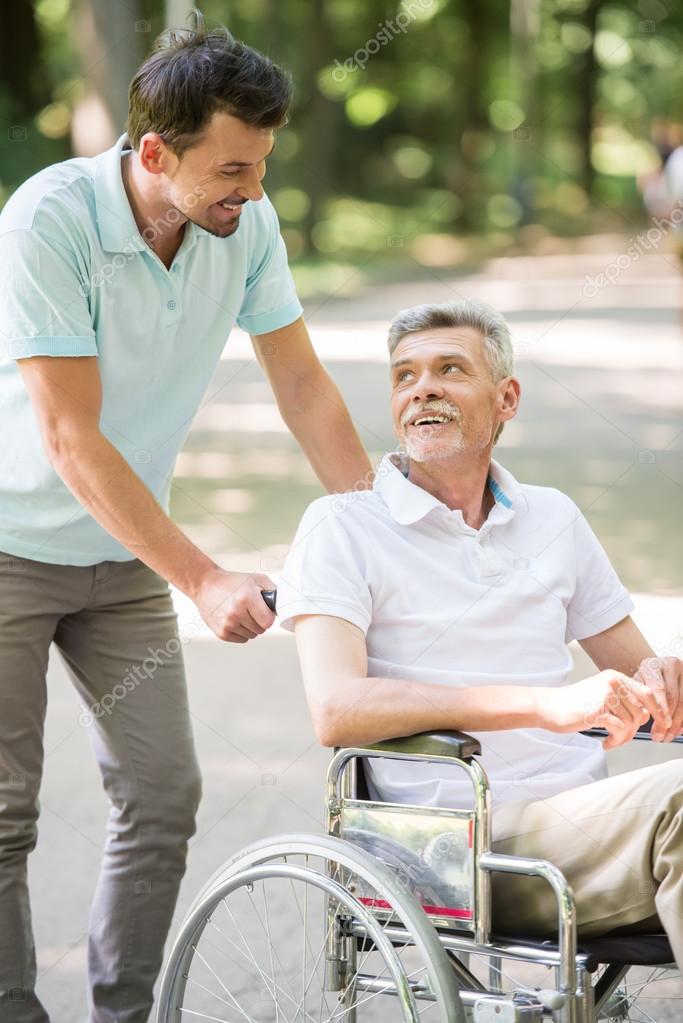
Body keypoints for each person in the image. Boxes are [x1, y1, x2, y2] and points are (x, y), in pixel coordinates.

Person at [0, 15, 371, 1023]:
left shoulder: (242, 225)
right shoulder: (50, 221)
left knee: (162, 801)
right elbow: (71, 440)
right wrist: (202, 575)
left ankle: (123, 1016)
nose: (252, 192)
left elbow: (301, 386)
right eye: (233, 169)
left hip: (118, 557)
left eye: (261, 167)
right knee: (3, 818)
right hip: (8, 550)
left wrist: (378, 537)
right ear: (154, 152)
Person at [277, 298, 683, 964]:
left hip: (585, 823)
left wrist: (663, 678)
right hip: (456, 844)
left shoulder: (552, 517)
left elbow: (647, 685)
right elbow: (336, 709)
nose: (422, 387)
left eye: (449, 368)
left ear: (506, 398)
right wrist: (539, 705)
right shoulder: (341, 526)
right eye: (404, 375)